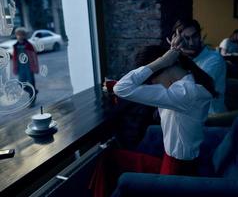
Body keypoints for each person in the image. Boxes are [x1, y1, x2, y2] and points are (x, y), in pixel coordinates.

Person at [89, 44, 218, 197]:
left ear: (168, 66)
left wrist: (163, 60)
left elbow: (122, 89)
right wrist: (163, 62)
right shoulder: (186, 83)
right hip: (175, 163)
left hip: (176, 173)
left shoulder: (184, 93)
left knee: (111, 161)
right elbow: (134, 88)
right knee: (110, 158)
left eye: (153, 79)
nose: (152, 84)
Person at [169, 18, 227, 114]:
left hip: (209, 117)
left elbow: (196, 90)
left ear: (200, 35)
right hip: (186, 114)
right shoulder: (179, 58)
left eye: (195, 36)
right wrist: (172, 54)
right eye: (186, 38)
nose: (191, 43)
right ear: (176, 40)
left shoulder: (214, 59)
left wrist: (183, 58)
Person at [12, 27, 39, 105]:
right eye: (18, 35)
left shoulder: (29, 45)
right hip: (21, 68)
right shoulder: (15, 45)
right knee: (21, 84)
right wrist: (14, 68)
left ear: (24, 36)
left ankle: (32, 101)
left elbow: (34, 57)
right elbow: (14, 59)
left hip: (29, 67)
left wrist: (35, 67)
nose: (20, 36)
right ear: (16, 35)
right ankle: (34, 91)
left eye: (22, 35)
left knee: (31, 84)